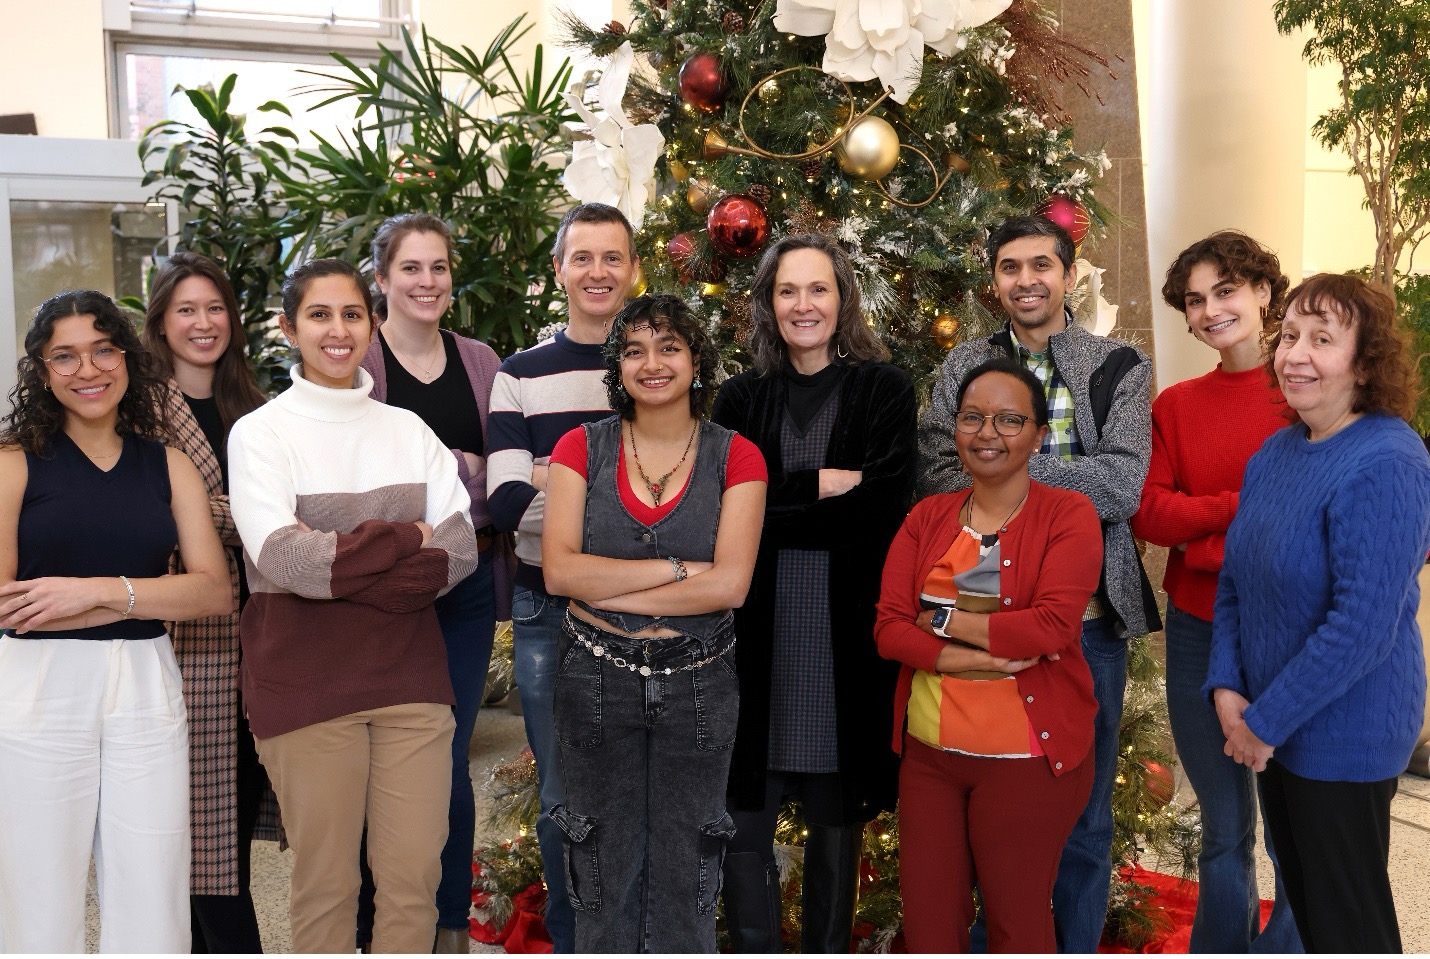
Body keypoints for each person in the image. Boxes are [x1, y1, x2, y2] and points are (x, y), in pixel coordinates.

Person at [227, 258, 479, 954]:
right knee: (326, 884)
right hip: (303, 686)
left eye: (351, 315)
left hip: (411, 683)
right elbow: (282, 558)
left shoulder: (407, 430)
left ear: (372, 325)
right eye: (318, 314)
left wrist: (338, 556)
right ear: (287, 327)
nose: (337, 331)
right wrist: (404, 537)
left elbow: (459, 553)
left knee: (411, 882)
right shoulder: (261, 433)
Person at [918, 214, 1154, 951]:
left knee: (1084, 821)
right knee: (992, 815)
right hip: (985, 625)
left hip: (1085, 631)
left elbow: (1122, 483)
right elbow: (936, 474)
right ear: (994, 282)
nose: (1027, 280)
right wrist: (1039, 467)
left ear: (1069, 274)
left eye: (1041, 265)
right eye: (1011, 268)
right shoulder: (962, 365)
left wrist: (1005, 459)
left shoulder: (1119, 365)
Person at [0, 290, 232, 952]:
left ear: (127, 358)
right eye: (64, 355)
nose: (88, 369)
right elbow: (5, 599)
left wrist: (97, 592)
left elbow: (214, 590)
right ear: (42, 370)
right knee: (38, 885)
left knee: (153, 881)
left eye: (104, 349)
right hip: (39, 684)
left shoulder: (169, 462)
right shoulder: (13, 461)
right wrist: (144, 593)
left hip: (144, 678)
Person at [1206, 272, 1430, 953]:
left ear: (1364, 365)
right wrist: (1226, 685)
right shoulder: (1276, 452)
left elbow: (1362, 624)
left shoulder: (1389, 458)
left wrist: (1261, 723)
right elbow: (1235, 581)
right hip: (1273, 725)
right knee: (1307, 901)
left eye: (1323, 340)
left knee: (1348, 924)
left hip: (1344, 733)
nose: (1295, 354)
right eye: (1291, 335)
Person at [541, 294, 767, 952]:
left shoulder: (738, 456)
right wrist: (677, 570)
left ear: (697, 361)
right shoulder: (578, 448)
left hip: (699, 683)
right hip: (593, 675)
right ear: (618, 367)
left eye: (669, 346)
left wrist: (607, 577)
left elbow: (731, 584)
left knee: (690, 856)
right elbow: (559, 573)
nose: (653, 363)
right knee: (598, 857)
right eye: (635, 350)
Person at [709, 234, 915, 952]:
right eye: (787, 290)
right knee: (745, 818)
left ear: (843, 297)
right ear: (769, 303)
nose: (804, 304)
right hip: (755, 645)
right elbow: (721, 511)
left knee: (836, 817)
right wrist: (820, 485)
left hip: (842, 644)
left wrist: (769, 506)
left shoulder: (884, 388)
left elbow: (883, 510)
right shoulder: (739, 397)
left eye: (818, 289)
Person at [877, 359, 1101, 952]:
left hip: (1024, 759)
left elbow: (1052, 627)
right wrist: (961, 659)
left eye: (1008, 420)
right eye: (973, 417)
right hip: (930, 760)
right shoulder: (926, 518)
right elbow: (889, 630)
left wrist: (945, 621)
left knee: (1016, 924)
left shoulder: (1068, 515)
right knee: (929, 929)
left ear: (1038, 434)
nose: (987, 433)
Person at [1131, 232, 1301, 953]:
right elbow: (1151, 513)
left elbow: (1315, 517)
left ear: (1264, 291)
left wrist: (1204, 533)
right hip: (1199, 627)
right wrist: (1246, 503)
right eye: (1196, 301)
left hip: (1294, 629)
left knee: (1298, 822)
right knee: (1225, 828)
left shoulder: (1309, 387)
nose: (1210, 311)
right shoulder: (1176, 404)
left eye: (1225, 291)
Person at [486, 202, 638, 952]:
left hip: (656, 610)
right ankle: (580, 942)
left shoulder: (656, 365)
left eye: (613, 257)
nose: (598, 272)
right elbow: (510, 501)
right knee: (562, 796)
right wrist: (613, 482)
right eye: (583, 257)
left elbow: (683, 492)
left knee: (647, 791)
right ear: (560, 270)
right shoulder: (519, 375)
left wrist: (560, 474)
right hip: (551, 610)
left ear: (634, 269)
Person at [357, 213, 504, 954]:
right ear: (380, 279)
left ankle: (447, 923)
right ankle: (377, 920)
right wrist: (449, 470)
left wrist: (464, 471)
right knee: (377, 753)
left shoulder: (480, 360)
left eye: (438, 267)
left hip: (465, 580)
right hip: (376, 590)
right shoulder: (357, 359)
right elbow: (347, 480)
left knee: (447, 752)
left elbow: (499, 475)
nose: (426, 282)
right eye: (410, 268)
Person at [141, 251, 271, 954]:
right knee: (201, 844)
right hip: (186, 641)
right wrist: (260, 518)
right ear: (160, 321)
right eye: (186, 309)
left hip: (260, 639)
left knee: (232, 821)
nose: (203, 322)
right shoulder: (139, 408)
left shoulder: (251, 405)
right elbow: (155, 512)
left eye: (215, 307)